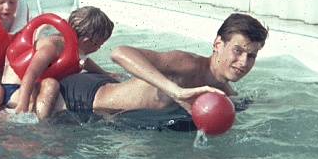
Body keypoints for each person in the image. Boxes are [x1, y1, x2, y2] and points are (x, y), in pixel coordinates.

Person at [54, 13, 269, 116]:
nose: (243, 62)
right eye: (238, 50)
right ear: (217, 44)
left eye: (251, 56)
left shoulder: (222, 89)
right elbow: (119, 52)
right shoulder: (188, 64)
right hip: (81, 97)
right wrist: (175, 91)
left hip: (105, 85)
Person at [0, 5, 119, 121]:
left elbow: (84, 61)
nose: (98, 48)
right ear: (86, 41)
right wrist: (22, 106)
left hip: (30, 88)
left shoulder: (75, 47)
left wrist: (105, 73)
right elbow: (30, 74)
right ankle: (41, 125)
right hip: (15, 91)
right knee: (51, 84)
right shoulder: (52, 47)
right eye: (99, 44)